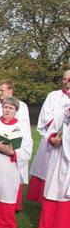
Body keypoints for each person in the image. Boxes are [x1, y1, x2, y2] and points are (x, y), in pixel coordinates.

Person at [0, 97, 33, 228]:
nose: (7, 110)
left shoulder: (22, 126)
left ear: (16, 111)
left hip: (10, 165)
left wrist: (14, 152)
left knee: (7, 193)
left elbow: (27, 147)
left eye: (11, 108)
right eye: (5, 107)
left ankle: (6, 226)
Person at [26, 70, 70, 204]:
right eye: (64, 79)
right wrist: (57, 130)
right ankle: (44, 199)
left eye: (69, 80)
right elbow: (46, 115)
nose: (66, 82)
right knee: (46, 169)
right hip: (53, 137)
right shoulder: (53, 95)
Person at [0, 80, 30, 211]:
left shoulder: (22, 106)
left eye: (2, 90)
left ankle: (13, 207)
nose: (0, 92)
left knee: (9, 186)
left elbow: (25, 131)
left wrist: (14, 150)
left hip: (13, 151)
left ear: (11, 90)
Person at [37, 106, 70, 228]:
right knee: (53, 189)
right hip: (58, 157)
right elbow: (51, 131)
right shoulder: (64, 113)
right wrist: (52, 139)